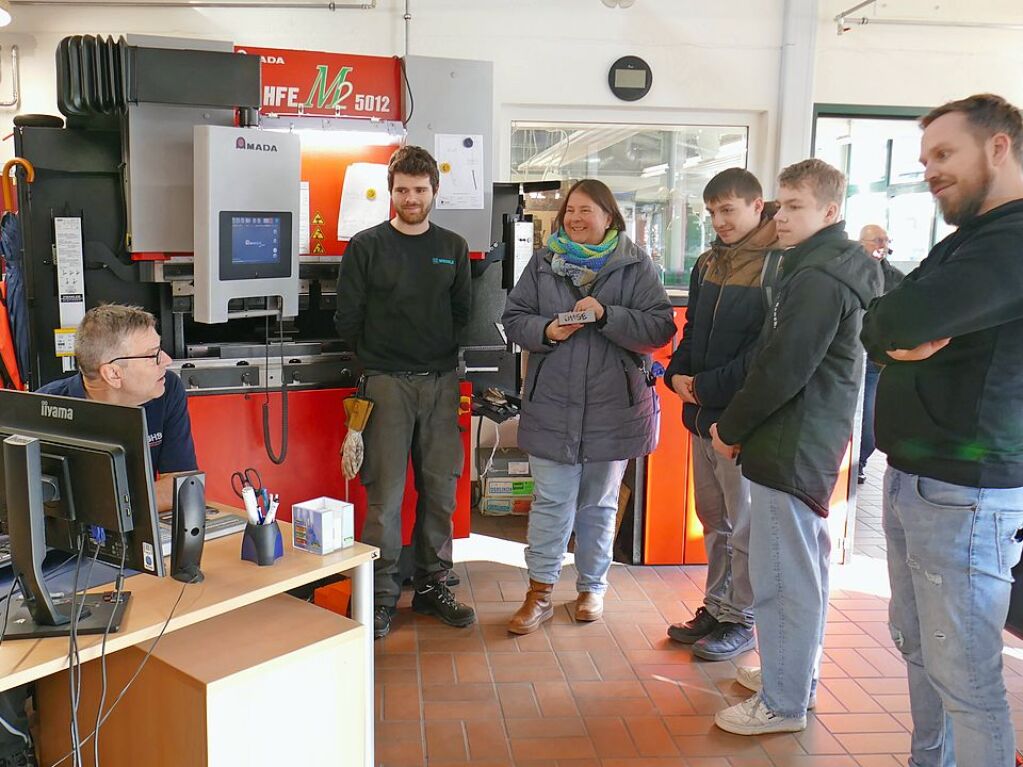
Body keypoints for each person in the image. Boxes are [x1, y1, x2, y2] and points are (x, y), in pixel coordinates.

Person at [861, 93, 1023, 767]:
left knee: (965, 676)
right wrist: (892, 328)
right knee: (922, 650)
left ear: (998, 147)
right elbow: (879, 319)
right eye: (925, 158)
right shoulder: (967, 241)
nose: (929, 170)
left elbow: (895, 321)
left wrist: (895, 328)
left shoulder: (1011, 243)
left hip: (966, 493)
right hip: (921, 483)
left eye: (943, 153)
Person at [710, 159, 881, 735]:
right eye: (780, 204)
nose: (781, 216)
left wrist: (730, 428)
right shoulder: (825, 262)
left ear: (830, 212)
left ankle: (783, 703)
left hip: (792, 440)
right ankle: (792, 675)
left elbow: (783, 367)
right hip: (806, 436)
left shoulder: (818, 277)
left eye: (796, 206)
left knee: (783, 576)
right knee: (801, 568)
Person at [0, 304, 199, 767]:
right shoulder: (51, 406)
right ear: (112, 372)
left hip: (131, 552)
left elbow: (185, 481)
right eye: (153, 355)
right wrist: (134, 493)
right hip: (60, 550)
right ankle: (15, 748)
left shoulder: (167, 395)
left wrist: (114, 496)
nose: (166, 362)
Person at [502, 179, 675, 634]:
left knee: (599, 505)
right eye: (570, 211)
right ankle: (539, 593)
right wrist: (546, 331)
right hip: (553, 405)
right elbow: (513, 319)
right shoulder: (542, 263)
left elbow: (659, 329)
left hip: (612, 408)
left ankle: (591, 587)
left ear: (609, 217)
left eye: (588, 211)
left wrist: (606, 315)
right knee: (552, 501)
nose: (576, 219)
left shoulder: (636, 266)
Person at [334, 145, 474, 640]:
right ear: (390, 192)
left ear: (434, 191)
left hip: (441, 385)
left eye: (419, 190)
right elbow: (346, 317)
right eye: (402, 190)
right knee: (384, 498)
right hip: (385, 386)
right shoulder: (367, 246)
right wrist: (379, 361)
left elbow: (462, 313)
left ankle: (435, 584)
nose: (410, 198)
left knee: (440, 491)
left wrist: (434, 357)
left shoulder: (452, 247)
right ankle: (379, 596)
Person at [663, 168, 778, 660]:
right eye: (712, 212)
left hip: (739, 420)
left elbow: (763, 353)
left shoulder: (777, 266)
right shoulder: (709, 261)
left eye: (728, 210)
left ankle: (743, 616)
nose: (719, 221)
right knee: (713, 518)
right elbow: (690, 334)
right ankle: (718, 605)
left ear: (757, 206)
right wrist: (676, 375)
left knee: (744, 520)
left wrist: (704, 387)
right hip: (701, 415)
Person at [856, 224, 904, 484]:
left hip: (874, 360)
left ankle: (860, 462)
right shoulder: (847, 272)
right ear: (861, 242)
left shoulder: (896, 278)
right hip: (847, 355)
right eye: (876, 240)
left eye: (885, 241)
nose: (881, 246)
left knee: (868, 421)